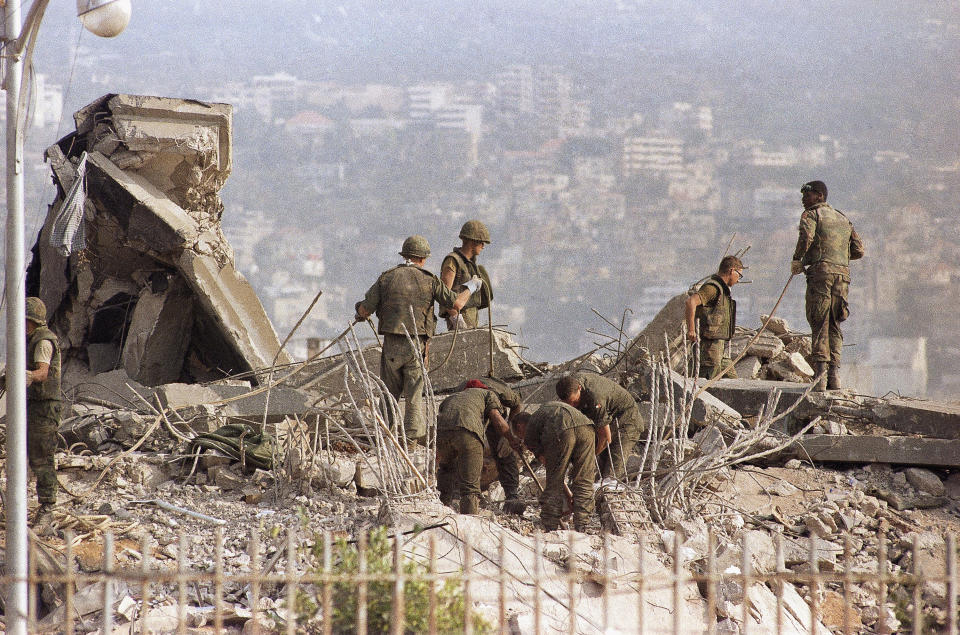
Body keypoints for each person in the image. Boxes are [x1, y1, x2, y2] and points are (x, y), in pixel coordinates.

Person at [355, 235, 482, 443]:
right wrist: (472, 286)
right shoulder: (429, 280)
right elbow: (456, 304)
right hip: (417, 344)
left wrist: (359, 312)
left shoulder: (386, 278)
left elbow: (364, 309)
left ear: (404, 255)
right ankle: (412, 442)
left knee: (388, 393)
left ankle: (380, 439)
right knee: (414, 394)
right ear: (422, 259)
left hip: (392, 345)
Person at [791, 180, 864, 391]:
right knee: (835, 323)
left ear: (820, 196)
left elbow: (806, 236)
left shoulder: (812, 215)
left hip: (820, 275)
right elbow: (858, 250)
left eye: (808, 195)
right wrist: (838, 255)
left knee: (819, 320)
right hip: (842, 277)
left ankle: (820, 377)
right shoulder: (843, 218)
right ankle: (835, 377)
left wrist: (798, 259)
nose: (804, 199)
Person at [523, 376, 611, 532]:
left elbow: (532, 444)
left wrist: (548, 460)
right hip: (586, 428)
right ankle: (582, 525)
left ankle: (550, 524)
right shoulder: (552, 409)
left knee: (554, 481)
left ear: (519, 425)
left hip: (562, 428)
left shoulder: (534, 420)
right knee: (584, 481)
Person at [436, 384, 523, 515]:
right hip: (468, 430)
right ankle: (469, 521)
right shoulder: (488, 394)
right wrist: (510, 438)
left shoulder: (452, 397)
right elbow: (497, 419)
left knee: (446, 470)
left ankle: (442, 510)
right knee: (470, 488)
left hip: (442, 433)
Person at [566, 371, 646, 483]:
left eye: (574, 402)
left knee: (611, 474)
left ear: (579, 388)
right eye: (569, 403)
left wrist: (589, 457)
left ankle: (611, 495)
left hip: (628, 422)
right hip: (609, 419)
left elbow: (605, 438)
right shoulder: (568, 385)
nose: (572, 406)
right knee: (601, 468)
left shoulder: (594, 397)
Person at [461, 377, 526, 513]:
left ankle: (512, 497)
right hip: (469, 418)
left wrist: (508, 434)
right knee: (465, 451)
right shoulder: (461, 395)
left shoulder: (503, 394)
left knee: (503, 451)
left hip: (497, 417)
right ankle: (457, 496)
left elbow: (516, 405)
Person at [24, 297, 62, 523]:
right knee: (31, 454)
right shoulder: (31, 339)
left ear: (31, 321)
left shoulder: (43, 341)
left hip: (45, 408)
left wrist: (25, 375)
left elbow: (42, 373)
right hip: (35, 405)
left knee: (42, 457)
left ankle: (48, 509)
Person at [685, 255, 744, 380]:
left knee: (733, 381)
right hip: (709, 350)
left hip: (719, 347)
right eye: (739, 275)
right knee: (706, 381)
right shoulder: (712, 288)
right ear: (732, 271)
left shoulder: (722, 290)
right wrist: (691, 330)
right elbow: (691, 302)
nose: (738, 279)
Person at [440, 220, 492, 330]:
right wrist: (456, 319)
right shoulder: (452, 261)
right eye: (481, 242)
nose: (483, 246)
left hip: (471, 321)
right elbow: (444, 296)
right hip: (458, 323)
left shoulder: (471, 265)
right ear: (473, 242)